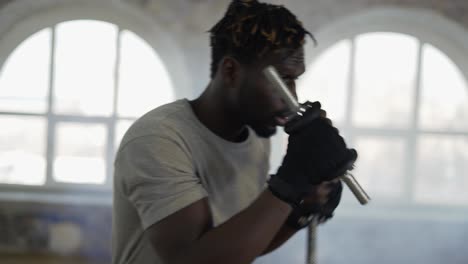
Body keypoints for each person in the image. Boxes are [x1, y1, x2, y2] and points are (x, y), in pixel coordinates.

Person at [112, 1, 357, 263]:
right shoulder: (159, 139)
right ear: (231, 71)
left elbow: (242, 245)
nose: (292, 97)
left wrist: (299, 209)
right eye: (283, 80)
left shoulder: (255, 139)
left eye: (295, 79)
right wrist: (291, 181)